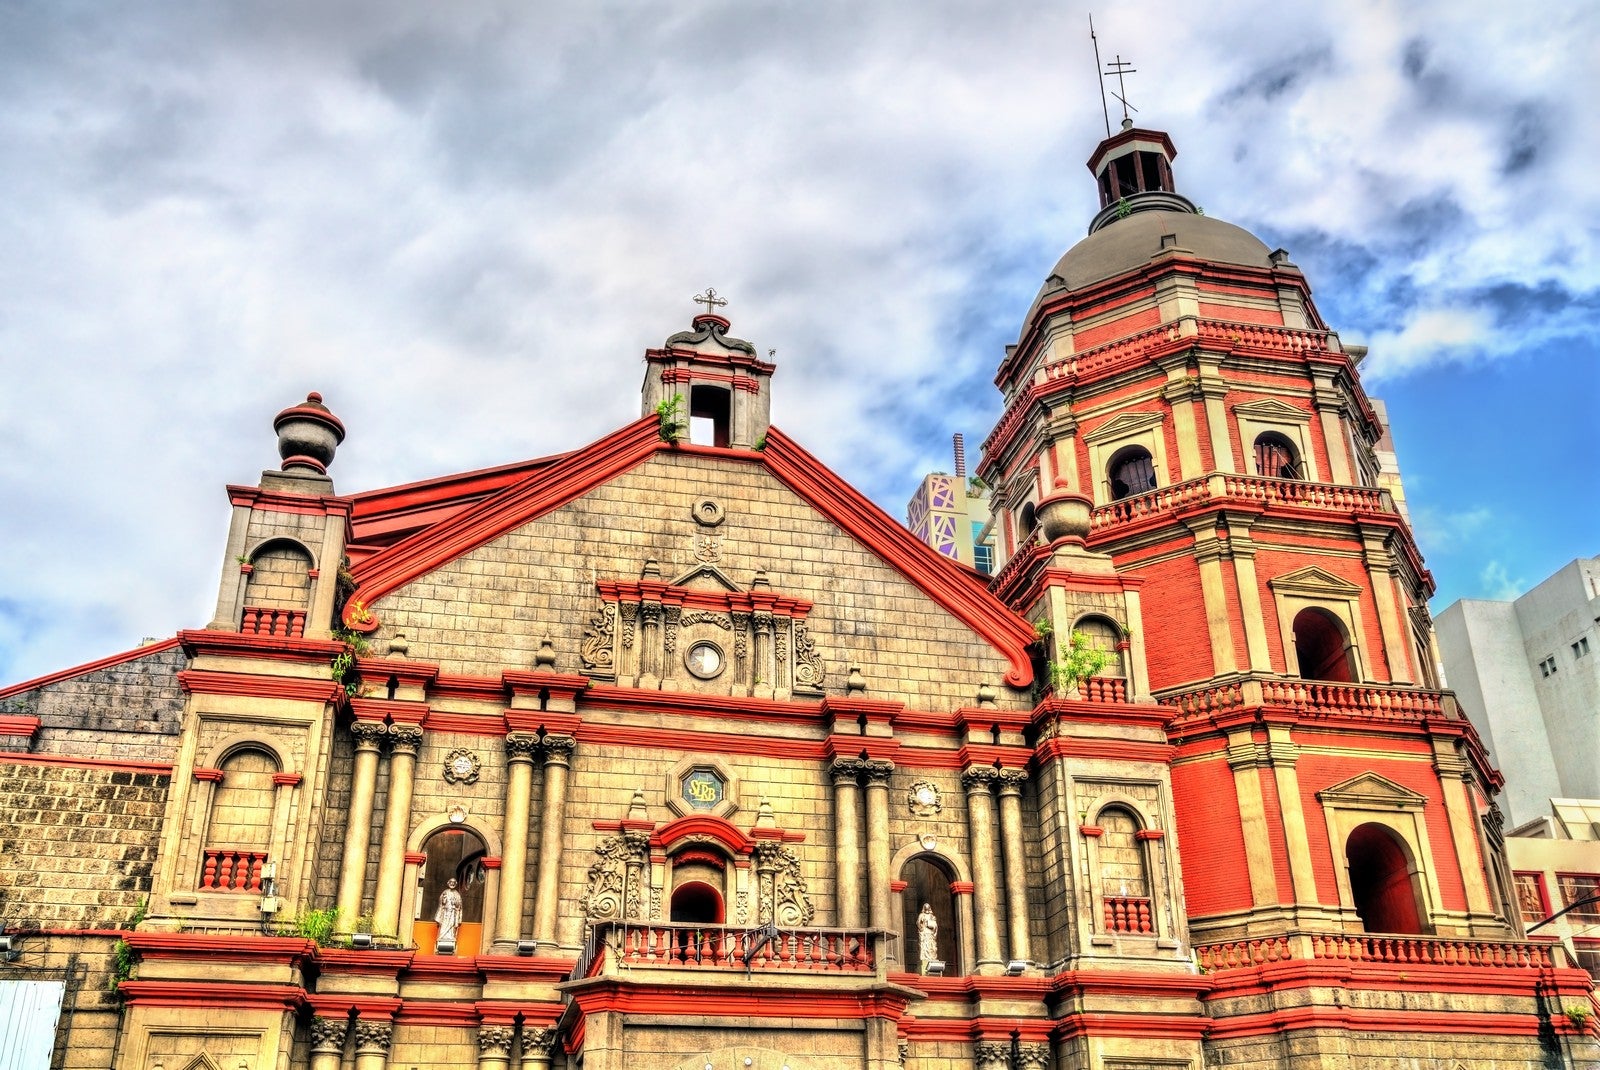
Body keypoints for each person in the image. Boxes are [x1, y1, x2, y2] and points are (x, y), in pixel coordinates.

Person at [435, 877, 464, 949]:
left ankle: (451, 937)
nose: (452, 884)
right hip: (445, 913)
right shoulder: (445, 892)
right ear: (448, 883)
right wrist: (444, 899)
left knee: (452, 925)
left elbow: (459, 906)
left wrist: (455, 903)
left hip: (453, 913)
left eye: (454, 883)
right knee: (444, 925)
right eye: (451, 882)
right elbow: (441, 904)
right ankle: (442, 937)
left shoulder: (457, 894)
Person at [917, 903, 938, 970]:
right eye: (925, 907)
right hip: (924, 932)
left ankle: (931, 957)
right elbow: (918, 922)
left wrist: (933, 928)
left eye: (928, 907)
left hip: (930, 932)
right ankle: (924, 957)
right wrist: (921, 928)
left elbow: (935, 925)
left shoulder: (932, 916)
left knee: (931, 946)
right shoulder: (921, 915)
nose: (927, 909)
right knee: (924, 946)